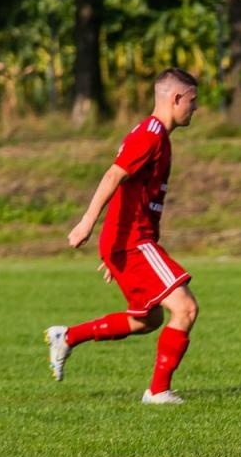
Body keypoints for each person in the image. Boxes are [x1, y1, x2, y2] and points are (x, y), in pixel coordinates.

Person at [48, 68, 203, 405]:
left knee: (147, 320)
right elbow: (113, 175)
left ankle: (68, 336)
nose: (195, 108)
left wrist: (113, 249)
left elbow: (130, 190)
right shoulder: (150, 135)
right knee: (186, 309)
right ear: (176, 98)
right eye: (192, 101)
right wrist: (88, 223)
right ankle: (158, 392)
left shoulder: (158, 136)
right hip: (134, 242)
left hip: (127, 242)